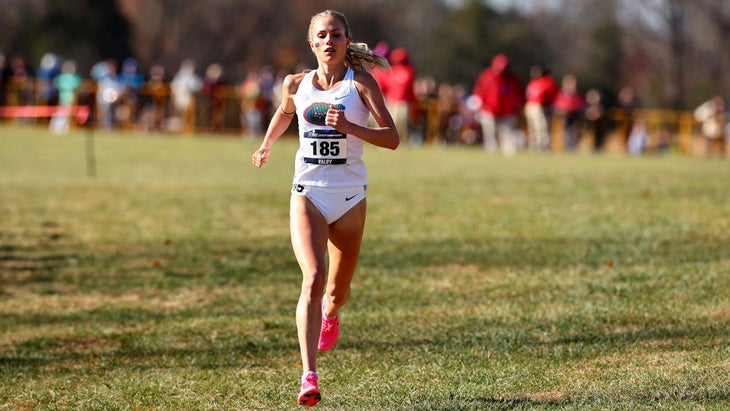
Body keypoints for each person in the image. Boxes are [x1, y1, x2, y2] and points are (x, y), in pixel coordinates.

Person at [251, 9, 399, 406]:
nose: (329, 41)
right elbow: (285, 114)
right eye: (322, 35)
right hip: (309, 192)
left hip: (350, 197)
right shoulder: (296, 84)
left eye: (336, 34)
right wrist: (266, 144)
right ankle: (308, 375)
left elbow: (392, 138)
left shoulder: (361, 84)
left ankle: (331, 315)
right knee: (313, 278)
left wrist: (350, 127)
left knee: (336, 290)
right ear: (312, 43)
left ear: (347, 41)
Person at [472, 54, 523, 155]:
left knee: (507, 132)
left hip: (507, 111)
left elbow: (518, 94)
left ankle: (509, 152)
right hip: (488, 110)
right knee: (489, 132)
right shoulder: (486, 76)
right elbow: (479, 91)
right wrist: (480, 105)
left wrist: (516, 106)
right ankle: (491, 150)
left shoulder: (511, 79)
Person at [378, 47, 417, 144]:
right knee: (392, 123)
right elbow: (384, 86)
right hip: (391, 101)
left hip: (403, 102)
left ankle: (403, 142)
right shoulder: (391, 71)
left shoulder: (408, 71)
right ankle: (392, 141)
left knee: (402, 123)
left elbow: (407, 87)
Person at [524, 65, 558, 152]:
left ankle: (543, 147)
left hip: (539, 106)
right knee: (532, 128)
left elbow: (551, 94)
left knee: (541, 127)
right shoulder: (532, 82)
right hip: (530, 105)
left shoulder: (546, 81)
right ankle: (533, 147)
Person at [552, 74, 584, 151]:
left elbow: (581, 105)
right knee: (566, 132)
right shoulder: (560, 95)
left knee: (575, 132)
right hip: (564, 118)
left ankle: (574, 146)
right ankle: (567, 146)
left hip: (575, 116)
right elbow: (556, 105)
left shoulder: (577, 95)